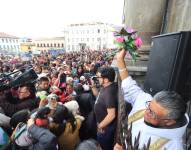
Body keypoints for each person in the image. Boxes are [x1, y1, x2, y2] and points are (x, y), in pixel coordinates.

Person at [114, 49, 189, 150]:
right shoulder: (150, 104)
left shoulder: (173, 146)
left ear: (169, 122)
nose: (146, 112)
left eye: (152, 113)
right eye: (149, 106)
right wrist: (120, 61)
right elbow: (130, 88)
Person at [93, 66, 118, 150]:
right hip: (104, 125)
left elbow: (111, 115)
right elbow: (98, 97)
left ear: (106, 80)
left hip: (105, 128)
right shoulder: (106, 87)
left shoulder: (109, 94)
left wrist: (100, 126)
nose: (97, 79)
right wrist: (93, 87)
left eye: (99, 77)